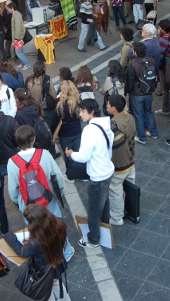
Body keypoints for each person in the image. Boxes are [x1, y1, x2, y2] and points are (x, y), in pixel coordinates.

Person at [7, 125, 74, 260]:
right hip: (48, 200)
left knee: (36, 232)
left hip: (29, 206)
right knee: (57, 227)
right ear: (33, 139)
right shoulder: (44, 154)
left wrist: (18, 202)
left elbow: (12, 190)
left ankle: (46, 254)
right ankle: (66, 252)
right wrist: (60, 192)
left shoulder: (12, 162)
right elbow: (57, 176)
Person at [64, 99, 114, 249]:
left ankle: (93, 240)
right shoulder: (105, 124)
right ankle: (105, 229)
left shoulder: (89, 130)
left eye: (82, 111)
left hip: (98, 175)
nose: (80, 114)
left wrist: (71, 154)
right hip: (107, 170)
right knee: (104, 203)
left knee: (93, 210)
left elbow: (84, 157)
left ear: (91, 112)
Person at [3, 204, 70, 300]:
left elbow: (22, 252)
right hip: (57, 263)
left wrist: (9, 236)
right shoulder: (59, 223)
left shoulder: (36, 243)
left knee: (46, 293)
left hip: (44, 272)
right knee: (57, 286)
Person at [106, 94, 136, 226]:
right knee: (130, 189)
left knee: (116, 191)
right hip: (130, 160)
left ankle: (117, 217)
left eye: (108, 104)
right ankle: (132, 210)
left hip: (119, 165)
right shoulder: (129, 117)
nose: (106, 106)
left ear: (113, 108)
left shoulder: (113, 125)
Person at [127, 41, 159, 144]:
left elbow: (130, 82)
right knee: (149, 112)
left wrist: (129, 91)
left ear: (135, 52)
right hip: (149, 91)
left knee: (139, 115)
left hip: (137, 94)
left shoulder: (133, 65)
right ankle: (154, 133)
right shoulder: (152, 61)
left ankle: (142, 137)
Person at [51, 80, 82, 167]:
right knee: (77, 153)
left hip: (65, 133)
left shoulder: (61, 105)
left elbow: (55, 121)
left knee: (67, 155)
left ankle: (70, 172)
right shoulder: (78, 101)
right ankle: (79, 171)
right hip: (77, 131)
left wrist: (52, 132)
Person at [24, 61, 58, 126]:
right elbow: (54, 96)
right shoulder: (47, 80)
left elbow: (26, 95)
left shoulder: (28, 80)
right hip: (45, 109)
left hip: (32, 108)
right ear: (44, 69)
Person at [8, 2, 32, 70]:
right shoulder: (16, 14)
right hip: (18, 36)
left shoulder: (16, 15)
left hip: (18, 37)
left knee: (18, 51)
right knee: (20, 50)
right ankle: (23, 63)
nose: (8, 10)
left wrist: (16, 38)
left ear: (12, 8)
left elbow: (18, 27)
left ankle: (27, 64)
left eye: (9, 9)